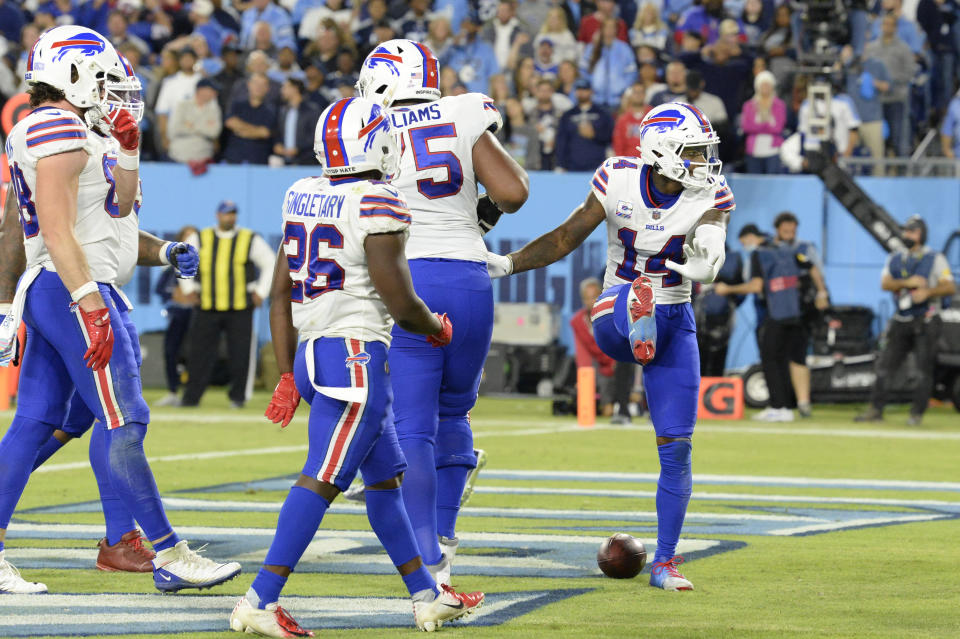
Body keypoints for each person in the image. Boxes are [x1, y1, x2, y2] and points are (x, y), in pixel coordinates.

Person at [227, 96, 485, 638]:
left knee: (386, 482)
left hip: (316, 350)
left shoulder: (302, 193)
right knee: (321, 478)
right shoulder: (377, 201)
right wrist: (434, 326)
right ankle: (259, 599)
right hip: (353, 357)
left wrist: (284, 372)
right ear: (380, 142)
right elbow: (398, 298)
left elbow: (278, 294)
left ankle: (426, 595)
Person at [0, 26, 240, 594]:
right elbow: (53, 231)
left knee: (41, 420)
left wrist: (129, 153)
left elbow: (114, 221)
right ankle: (168, 551)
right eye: (104, 81)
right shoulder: (55, 125)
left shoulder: (78, 131)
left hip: (65, 285)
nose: (112, 95)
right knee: (125, 420)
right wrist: (86, 302)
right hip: (73, 289)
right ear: (71, 72)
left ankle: (121, 542)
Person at [486, 102, 735, 591]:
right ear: (661, 151)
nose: (705, 160)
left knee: (677, 449)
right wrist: (510, 264)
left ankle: (665, 564)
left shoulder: (709, 191)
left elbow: (712, 232)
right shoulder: (618, 178)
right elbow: (566, 237)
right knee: (624, 310)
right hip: (617, 306)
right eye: (694, 150)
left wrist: (710, 255)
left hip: (673, 318)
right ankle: (637, 323)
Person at [356, 39, 529, 586]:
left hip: (412, 277)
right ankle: (446, 541)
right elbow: (513, 191)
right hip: (469, 278)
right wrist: (477, 216)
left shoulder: (368, 127)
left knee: (412, 428)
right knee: (454, 414)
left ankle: (429, 560)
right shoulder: (462, 109)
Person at [855, 216, 957, 425]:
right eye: (906, 231)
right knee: (885, 366)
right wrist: (908, 282)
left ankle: (916, 414)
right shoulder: (895, 257)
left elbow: (949, 286)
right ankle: (875, 409)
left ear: (922, 234)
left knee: (923, 369)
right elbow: (885, 283)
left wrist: (927, 291)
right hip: (902, 318)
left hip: (927, 318)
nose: (907, 235)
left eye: (912, 231)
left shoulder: (934, 258)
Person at [179, 201, 275, 408]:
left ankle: (238, 397)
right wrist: (189, 289)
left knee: (240, 353)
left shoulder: (249, 239)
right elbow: (182, 259)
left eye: (232, 214)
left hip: (240, 307)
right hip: (206, 306)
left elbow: (270, 262)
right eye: (225, 214)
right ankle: (191, 397)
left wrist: (261, 291)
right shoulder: (201, 238)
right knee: (199, 354)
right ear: (217, 215)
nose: (229, 218)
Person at [772, 211, 829, 418]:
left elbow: (816, 271)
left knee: (798, 355)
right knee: (774, 357)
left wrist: (822, 293)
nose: (789, 233)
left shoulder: (805, 248)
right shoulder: (768, 249)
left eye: (792, 230)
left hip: (800, 311)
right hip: (773, 310)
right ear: (777, 229)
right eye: (785, 229)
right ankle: (779, 403)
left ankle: (803, 403)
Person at [155, 226, 200, 407]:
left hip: (199, 314)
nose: (189, 240)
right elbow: (160, 289)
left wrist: (195, 294)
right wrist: (174, 293)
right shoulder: (171, 266)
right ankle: (173, 391)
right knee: (171, 351)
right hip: (178, 314)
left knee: (196, 353)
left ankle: (192, 394)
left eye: (193, 236)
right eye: (186, 237)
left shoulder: (203, 265)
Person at [571, 277, 617, 417]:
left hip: (616, 362)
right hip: (597, 368)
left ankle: (618, 403)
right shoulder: (578, 321)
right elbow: (583, 355)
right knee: (589, 371)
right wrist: (583, 379)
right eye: (587, 298)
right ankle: (600, 404)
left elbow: (618, 348)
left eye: (594, 297)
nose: (591, 302)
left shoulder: (612, 316)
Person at [556, 78, 614, 172]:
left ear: (591, 91)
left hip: (597, 166)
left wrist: (595, 134)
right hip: (572, 167)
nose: (582, 92)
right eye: (579, 89)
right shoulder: (567, 115)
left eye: (585, 89)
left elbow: (610, 136)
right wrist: (561, 164)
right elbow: (561, 141)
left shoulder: (603, 114)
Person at [167, 78, 223, 164]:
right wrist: (203, 127)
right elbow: (176, 128)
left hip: (204, 157)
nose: (215, 94)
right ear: (201, 90)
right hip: (178, 156)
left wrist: (191, 126)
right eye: (212, 90)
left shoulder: (214, 110)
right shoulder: (183, 105)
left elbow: (214, 132)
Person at [741, 70, 786, 174]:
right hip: (754, 151)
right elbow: (747, 127)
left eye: (768, 85)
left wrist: (759, 127)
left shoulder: (779, 105)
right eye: (763, 85)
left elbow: (778, 128)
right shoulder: (749, 105)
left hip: (773, 151)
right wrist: (767, 126)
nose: (765, 88)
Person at [271, 78, 323, 165]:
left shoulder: (312, 110)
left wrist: (299, 149)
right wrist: (278, 144)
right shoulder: (283, 111)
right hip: (285, 161)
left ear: (295, 89)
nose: (281, 91)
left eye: (285, 87)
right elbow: (278, 132)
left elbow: (315, 135)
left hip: (307, 161)